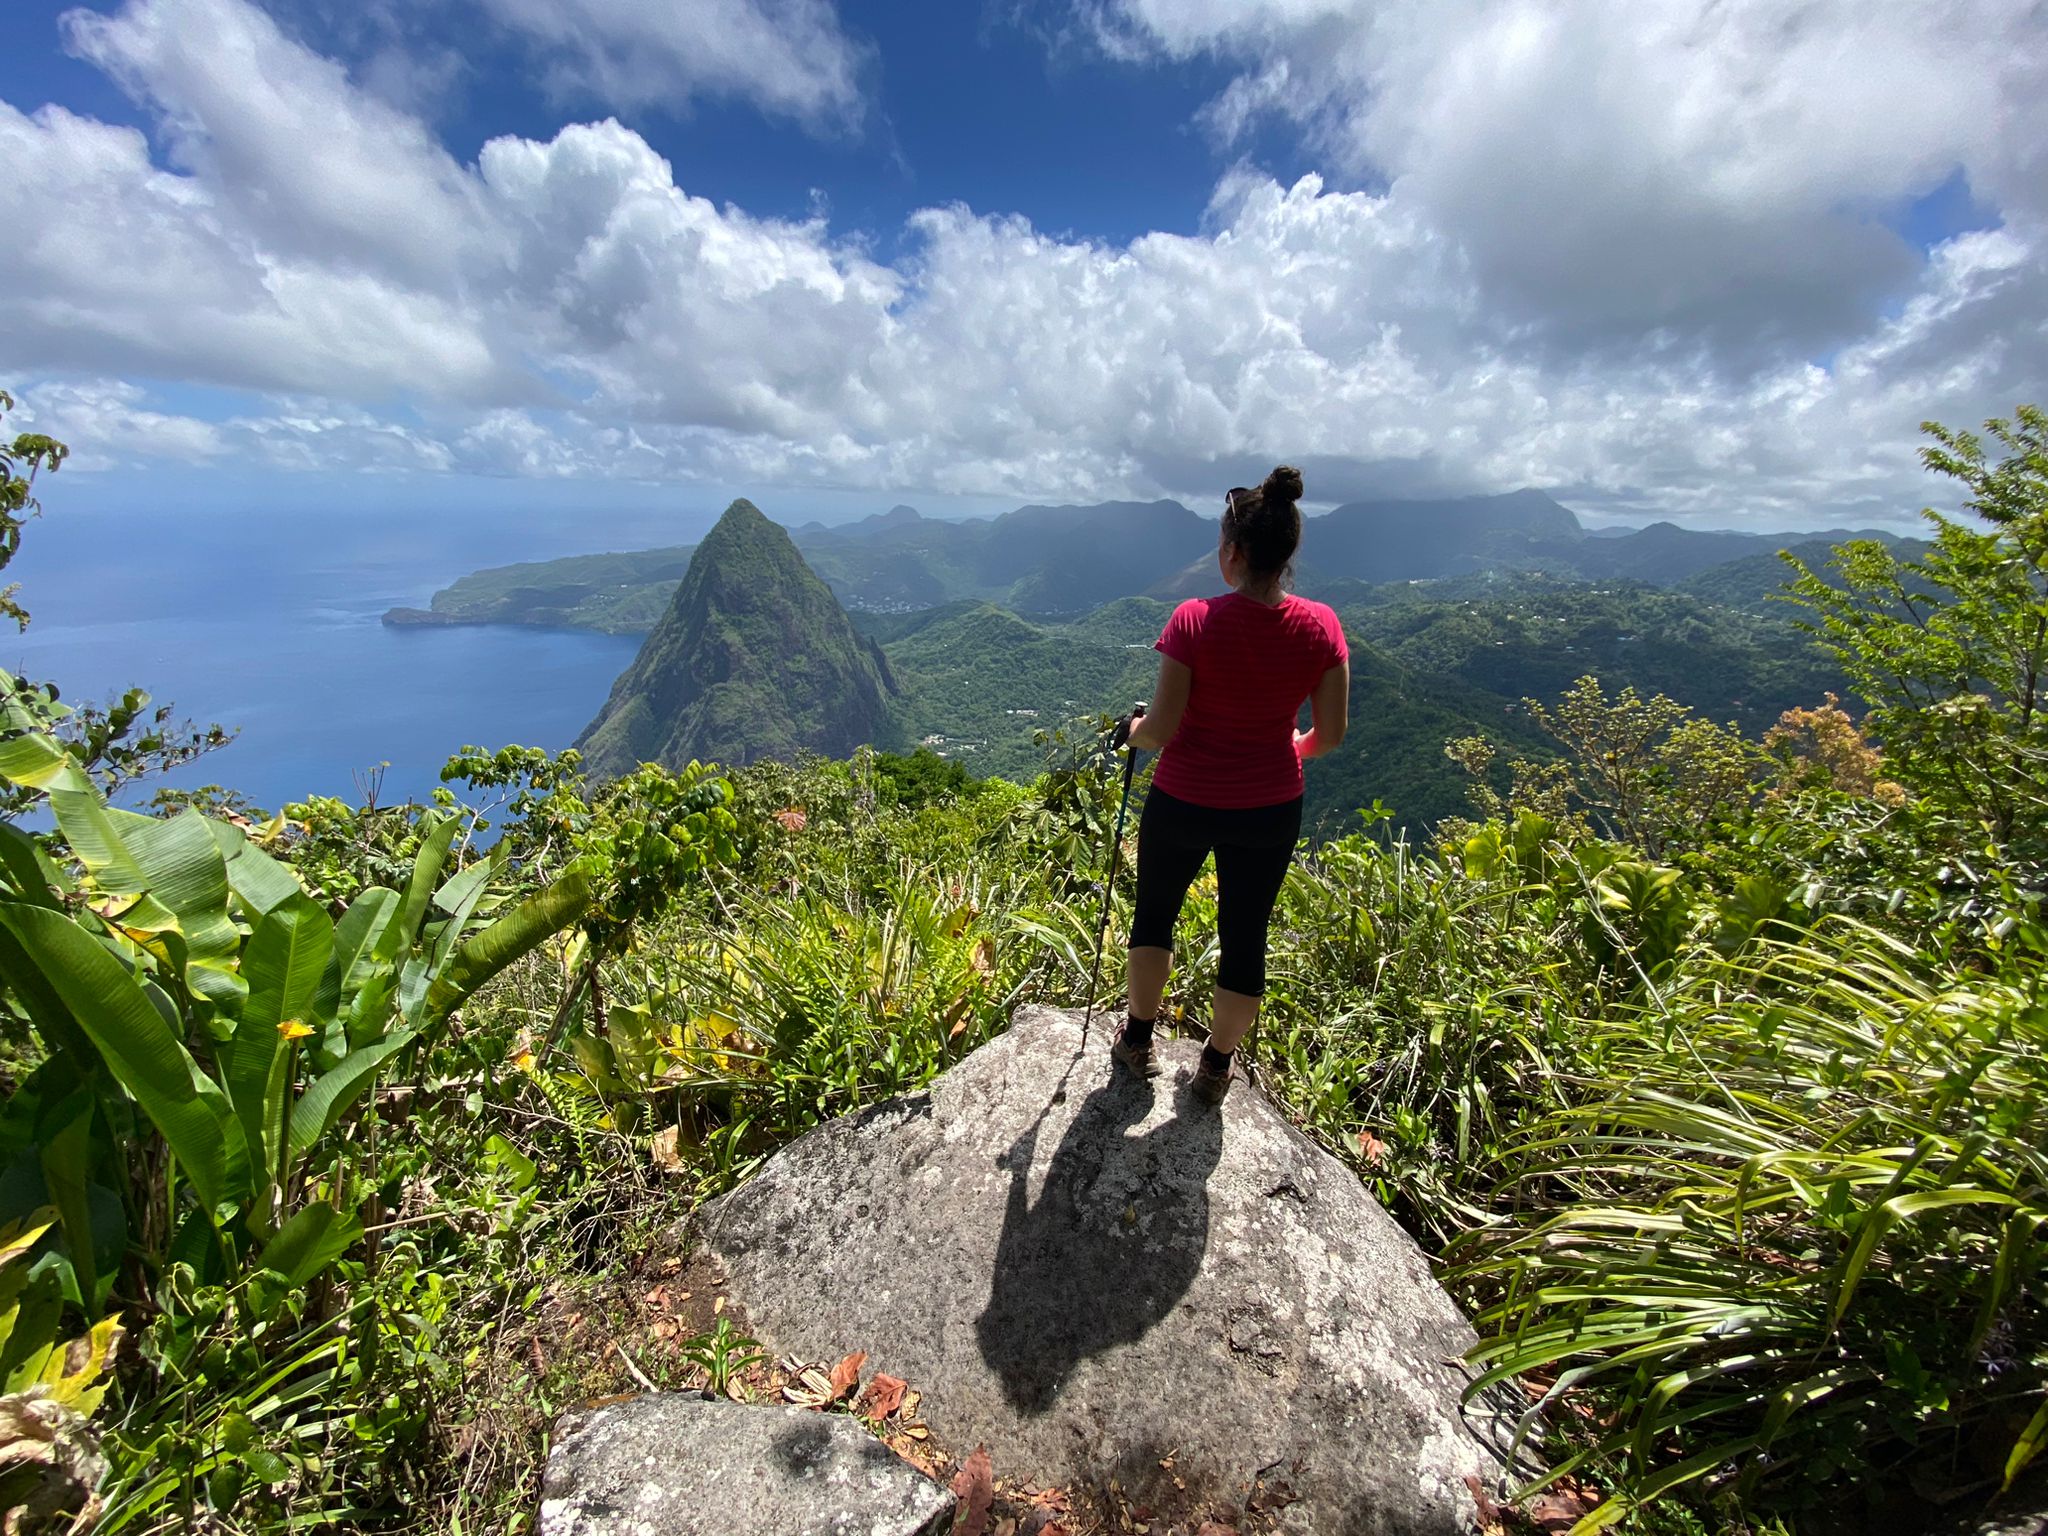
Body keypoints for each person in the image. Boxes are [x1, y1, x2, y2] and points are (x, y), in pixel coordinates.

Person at [1110, 466, 1350, 1105]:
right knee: (1246, 933)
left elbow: (1158, 731)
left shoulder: (1193, 621)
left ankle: (1137, 1041)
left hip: (1183, 799)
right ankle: (1216, 1068)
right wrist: (1285, 750)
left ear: (1232, 553)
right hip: (1270, 808)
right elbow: (1328, 737)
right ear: (1288, 553)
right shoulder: (1321, 628)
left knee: (1154, 915)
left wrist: (1130, 730)